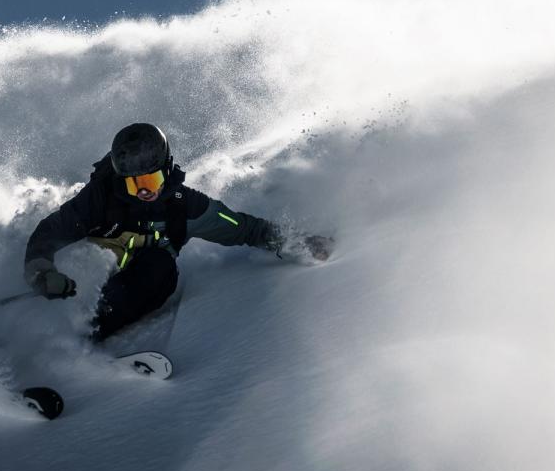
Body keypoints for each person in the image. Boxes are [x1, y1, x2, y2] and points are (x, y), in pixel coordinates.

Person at [23, 123, 330, 341]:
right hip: (87, 280)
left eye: (151, 182)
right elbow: (49, 232)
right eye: (134, 184)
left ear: (166, 170)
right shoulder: (100, 199)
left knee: (160, 265)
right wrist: (42, 273)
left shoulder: (185, 207)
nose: (144, 192)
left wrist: (297, 243)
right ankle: (60, 329)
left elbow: (242, 228)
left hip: (138, 285)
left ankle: (92, 332)